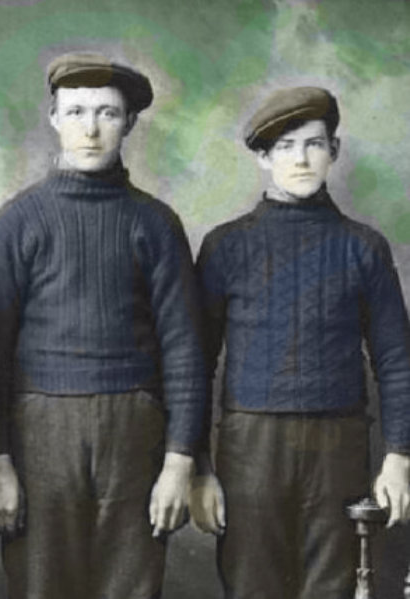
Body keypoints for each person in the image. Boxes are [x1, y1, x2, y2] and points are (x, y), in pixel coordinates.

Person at [0, 52, 208, 599]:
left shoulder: (156, 224)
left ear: (128, 123)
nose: (91, 127)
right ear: (54, 118)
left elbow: (185, 351)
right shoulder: (18, 222)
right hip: (39, 432)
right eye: (77, 111)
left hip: (134, 432)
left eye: (107, 113)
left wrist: (179, 462)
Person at [191, 86, 410, 598]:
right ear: (264, 158)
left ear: (334, 150)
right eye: (286, 147)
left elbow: (396, 361)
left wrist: (399, 457)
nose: (302, 159)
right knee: (252, 585)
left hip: (339, 447)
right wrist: (199, 467)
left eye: (313, 144)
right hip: (250, 447)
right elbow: (195, 364)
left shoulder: (364, 248)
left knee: (334, 587)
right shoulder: (226, 246)